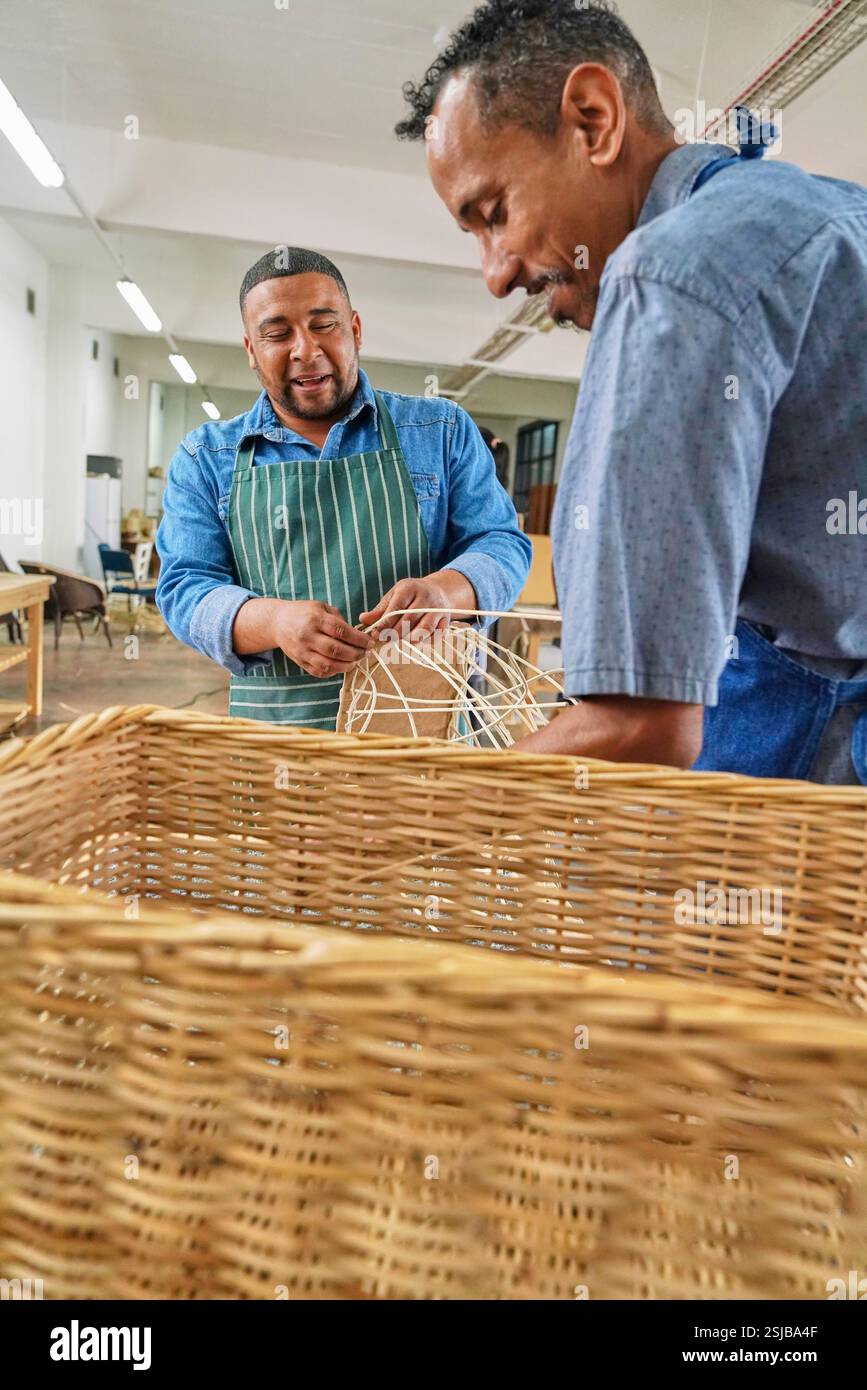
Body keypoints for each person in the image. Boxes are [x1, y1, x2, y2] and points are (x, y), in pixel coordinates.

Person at [396, 0, 867, 782]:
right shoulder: (841, 218)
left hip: (807, 778)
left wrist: (424, 812)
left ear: (592, 121)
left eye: (493, 214)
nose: (496, 273)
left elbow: (638, 728)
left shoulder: (669, 273)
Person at [156, 247, 531, 727]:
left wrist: (447, 592)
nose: (304, 350)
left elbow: (501, 542)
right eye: (276, 334)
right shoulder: (206, 458)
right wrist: (273, 621)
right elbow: (185, 588)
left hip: (418, 736)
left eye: (323, 325)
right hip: (276, 742)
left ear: (354, 329)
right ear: (252, 350)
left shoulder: (439, 430)